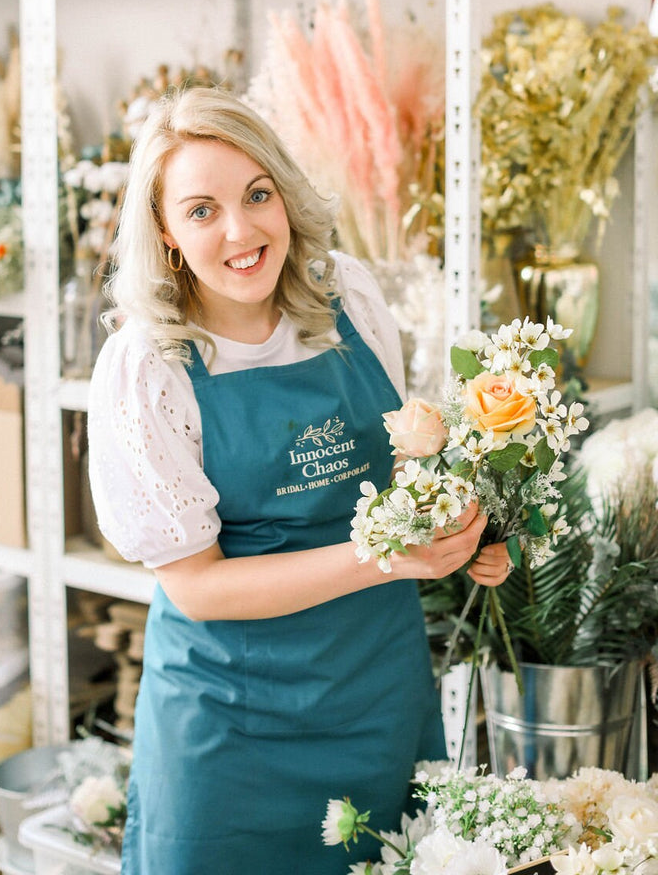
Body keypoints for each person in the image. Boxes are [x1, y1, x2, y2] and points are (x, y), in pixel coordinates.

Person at [87, 86, 511, 874]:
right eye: (203, 210)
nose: (242, 231)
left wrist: (465, 534)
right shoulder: (148, 367)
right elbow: (199, 588)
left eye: (257, 195)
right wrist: (385, 559)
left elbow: (405, 476)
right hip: (229, 732)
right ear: (168, 236)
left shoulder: (345, 294)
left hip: (376, 701)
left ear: (285, 194)